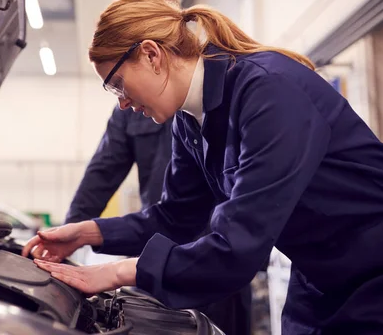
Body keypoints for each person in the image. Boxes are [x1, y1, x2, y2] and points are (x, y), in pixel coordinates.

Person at [22, 0, 383, 334]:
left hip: (376, 271)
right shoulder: (189, 122)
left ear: (151, 55)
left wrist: (115, 272)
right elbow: (175, 217)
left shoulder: (267, 92)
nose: (121, 104)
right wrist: (88, 233)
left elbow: (237, 249)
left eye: (117, 85)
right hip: (319, 276)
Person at [65, 105, 252, 335]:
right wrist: (73, 235)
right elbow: (101, 174)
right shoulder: (129, 108)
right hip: (155, 254)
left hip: (215, 258)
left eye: (118, 81)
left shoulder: (221, 99)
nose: (124, 98)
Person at [64, 104, 172, 224]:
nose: (123, 100)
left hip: (192, 231)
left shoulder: (193, 106)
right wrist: (71, 227)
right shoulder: (129, 109)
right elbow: (103, 172)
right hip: (156, 226)